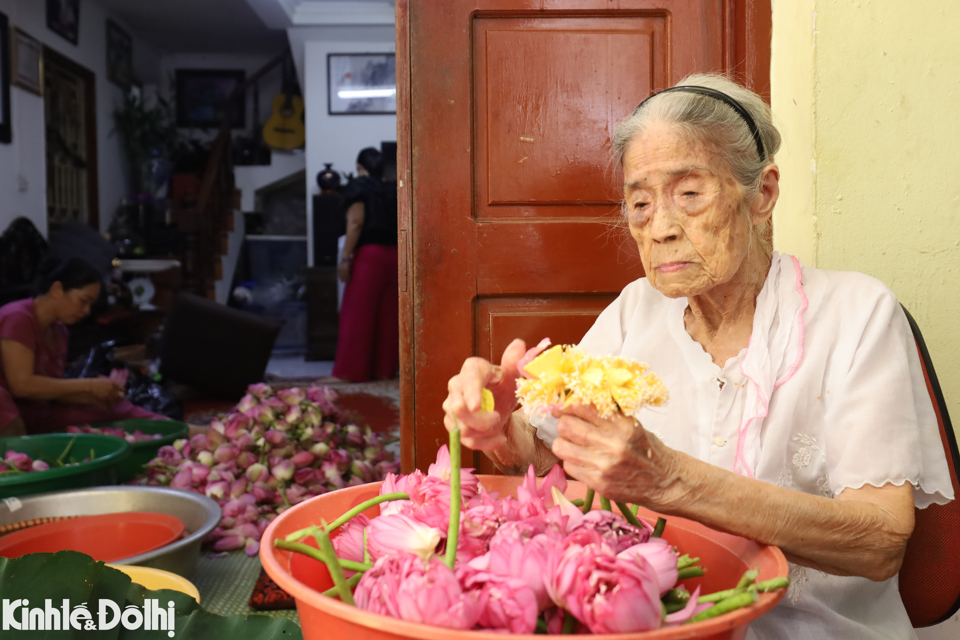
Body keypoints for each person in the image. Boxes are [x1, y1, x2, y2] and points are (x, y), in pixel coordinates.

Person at [442, 74, 953, 638]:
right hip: (661, 623)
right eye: (640, 203)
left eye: (689, 194)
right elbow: (552, 461)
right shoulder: (636, 310)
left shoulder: (858, 313)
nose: (660, 228)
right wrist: (501, 434)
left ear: (761, 193)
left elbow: (880, 545)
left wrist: (668, 480)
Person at [0, 257, 164, 437]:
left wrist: (91, 395)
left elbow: (47, 390)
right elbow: (21, 385)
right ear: (57, 289)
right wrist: (89, 386)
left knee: (110, 407)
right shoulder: (18, 318)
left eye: (90, 305)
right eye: (83, 301)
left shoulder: (60, 330)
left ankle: (174, 430)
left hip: (36, 410)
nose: (86, 311)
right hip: (10, 411)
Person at [332, 147, 400, 382]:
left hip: (369, 256)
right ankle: (383, 371)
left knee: (357, 313)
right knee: (389, 316)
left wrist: (345, 257)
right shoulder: (393, 189)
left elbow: (355, 223)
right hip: (395, 257)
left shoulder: (359, 186)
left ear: (360, 167)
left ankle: (350, 372)